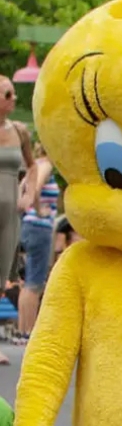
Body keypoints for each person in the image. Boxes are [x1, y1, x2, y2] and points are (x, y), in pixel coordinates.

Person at [0, 76, 33, 364]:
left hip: (10, 213)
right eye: (7, 94)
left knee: (2, 274)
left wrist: (28, 193)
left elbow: (33, 167)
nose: (13, 99)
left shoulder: (20, 130)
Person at [17, 141, 59, 343]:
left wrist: (24, 209)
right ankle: (31, 331)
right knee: (35, 282)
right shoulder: (46, 165)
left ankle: (23, 329)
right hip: (40, 227)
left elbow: (21, 189)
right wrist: (40, 209)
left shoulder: (32, 167)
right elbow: (37, 186)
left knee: (28, 282)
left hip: (27, 225)